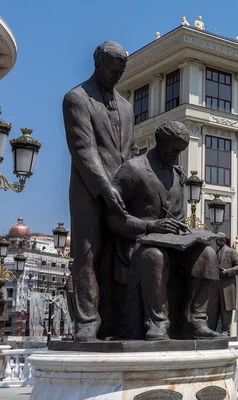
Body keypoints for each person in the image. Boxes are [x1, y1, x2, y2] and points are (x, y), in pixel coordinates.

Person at [107, 121, 221, 340]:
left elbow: (176, 218)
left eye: (180, 151)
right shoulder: (134, 169)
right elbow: (113, 217)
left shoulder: (178, 175)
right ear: (159, 141)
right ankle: (157, 322)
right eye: (172, 148)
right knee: (155, 256)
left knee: (207, 255)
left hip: (172, 244)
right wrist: (149, 225)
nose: (176, 154)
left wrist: (188, 233)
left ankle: (195, 321)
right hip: (138, 244)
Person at [63, 41, 135, 341]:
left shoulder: (127, 106)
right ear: (97, 62)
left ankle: (120, 319)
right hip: (88, 189)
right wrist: (104, 187)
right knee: (88, 253)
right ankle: (87, 320)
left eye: (121, 72)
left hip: (122, 191)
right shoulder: (76, 98)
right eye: (112, 70)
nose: (116, 76)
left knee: (123, 256)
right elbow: (82, 149)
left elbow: (128, 152)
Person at [208, 234, 238, 336]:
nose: (218, 242)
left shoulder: (231, 251)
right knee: (213, 307)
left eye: (219, 240)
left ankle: (225, 330)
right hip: (216, 284)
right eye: (216, 240)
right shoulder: (215, 253)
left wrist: (227, 272)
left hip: (227, 284)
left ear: (224, 240)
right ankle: (211, 329)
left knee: (226, 307)